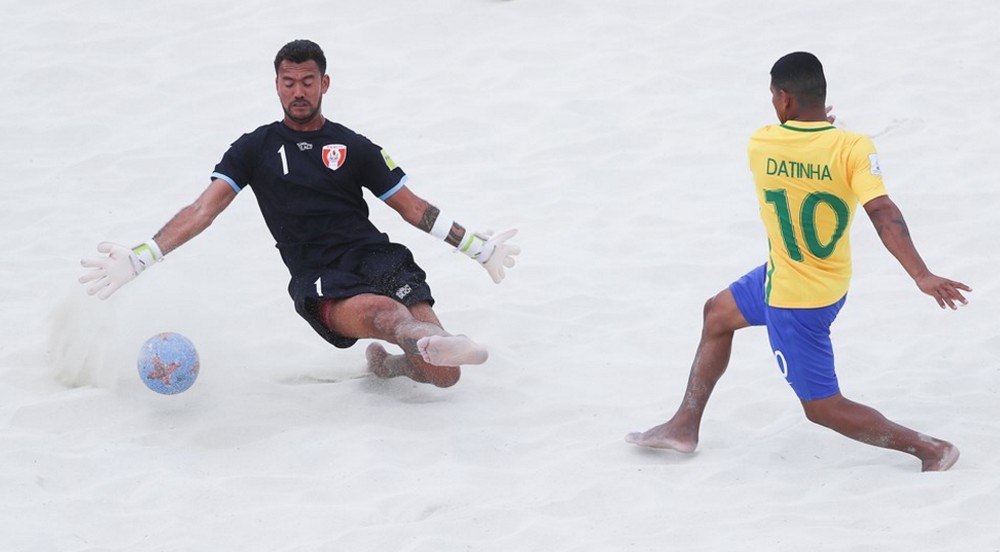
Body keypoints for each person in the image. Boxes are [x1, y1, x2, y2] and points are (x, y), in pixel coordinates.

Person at [79, 39, 520, 388]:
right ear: (276, 85)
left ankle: (392, 364)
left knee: (445, 376)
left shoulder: (355, 146)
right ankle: (435, 341)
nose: (298, 91)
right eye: (288, 82)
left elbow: (414, 208)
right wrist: (141, 256)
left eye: (307, 81)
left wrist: (479, 249)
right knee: (386, 315)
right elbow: (201, 209)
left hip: (377, 257)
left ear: (325, 84)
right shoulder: (253, 148)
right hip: (319, 275)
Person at [625, 52, 970, 471]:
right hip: (809, 278)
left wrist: (810, 127)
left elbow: (796, 148)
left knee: (822, 407)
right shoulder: (854, 147)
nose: (773, 103)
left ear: (785, 100)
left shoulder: (761, 143)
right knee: (717, 313)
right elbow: (882, 211)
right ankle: (683, 426)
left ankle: (930, 449)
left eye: (774, 96)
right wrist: (921, 274)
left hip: (794, 299)